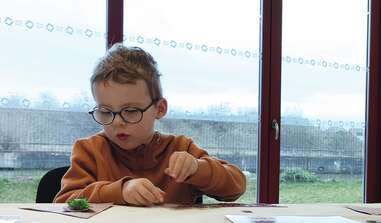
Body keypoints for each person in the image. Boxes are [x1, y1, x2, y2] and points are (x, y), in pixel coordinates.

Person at [54, 44, 246, 205]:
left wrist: (197, 168)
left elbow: (236, 187)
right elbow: (64, 203)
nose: (118, 122)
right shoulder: (90, 150)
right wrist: (120, 192)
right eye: (105, 112)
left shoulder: (180, 148)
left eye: (130, 111)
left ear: (159, 109)